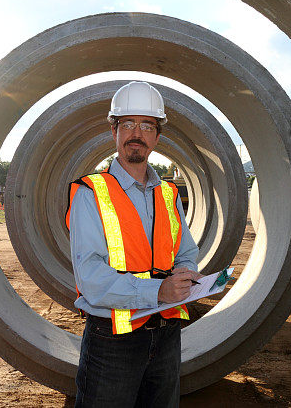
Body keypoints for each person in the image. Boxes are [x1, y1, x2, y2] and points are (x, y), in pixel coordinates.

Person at [67, 81, 201, 407]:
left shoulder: (168, 194)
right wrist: (158, 292)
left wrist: (185, 277)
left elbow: (186, 252)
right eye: (127, 124)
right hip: (113, 338)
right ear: (113, 130)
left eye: (146, 125)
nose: (135, 133)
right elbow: (90, 276)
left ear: (157, 137)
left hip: (166, 332)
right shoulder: (90, 193)